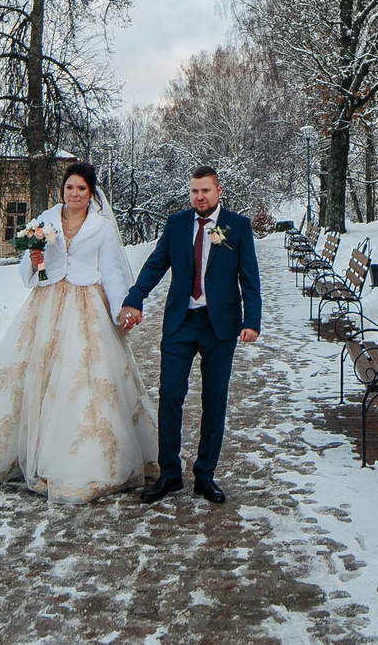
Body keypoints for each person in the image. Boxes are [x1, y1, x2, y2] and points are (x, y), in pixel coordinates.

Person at [0, 160, 158, 503]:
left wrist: (119, 310)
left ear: (91, 192)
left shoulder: (101, 227)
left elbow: (111, 271)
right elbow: (28, 268)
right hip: (46, 304)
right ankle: (21, 451)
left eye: (81, 188)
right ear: (62, 190)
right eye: (69, 187)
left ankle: (80, 459)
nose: (75, 194)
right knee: (35, 373)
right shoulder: (45, 220)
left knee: (82, 378)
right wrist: (33, 263)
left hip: (86, 307)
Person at [119, 165, 261, 505]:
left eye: (206, 191)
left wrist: (252, 320)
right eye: (195, 191)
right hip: (181, 322)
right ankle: (170, 473)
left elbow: (249, 276)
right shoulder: (177, 224)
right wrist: (135, 297)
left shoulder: (237, 227)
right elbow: (156, 264)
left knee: (214, 400)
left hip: (221, 326)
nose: (200, 196)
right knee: (170, 395)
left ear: (218, 191)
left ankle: (205, 475)